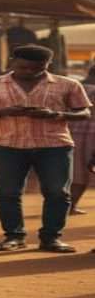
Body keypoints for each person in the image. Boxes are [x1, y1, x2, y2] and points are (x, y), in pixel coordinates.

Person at [0, 45, 92, 253]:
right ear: (12, 61)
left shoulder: (67, 84)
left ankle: (51, 238)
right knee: (8, 193)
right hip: (7, 145)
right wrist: (1, 112)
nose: (30, 71)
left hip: (54, 145)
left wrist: (55, 114)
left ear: (47, 65)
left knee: (58, 193)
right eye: (24, 67)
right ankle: (14, 237)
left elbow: (84, 112)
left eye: (37, 68)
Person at [68, 64, 95, 215]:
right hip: (91, 133)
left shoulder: (75, 86)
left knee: (77, 172)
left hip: (72, 130)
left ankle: (70, 206)